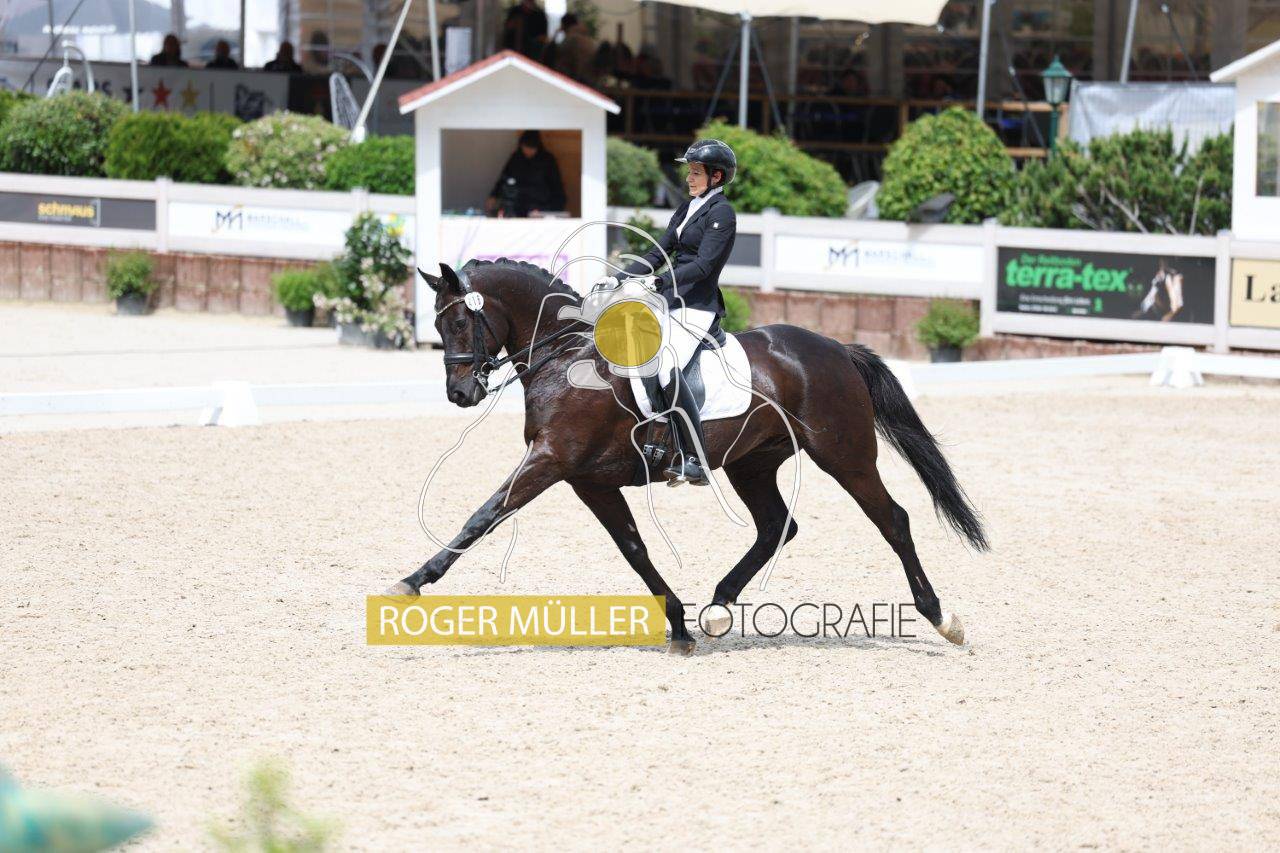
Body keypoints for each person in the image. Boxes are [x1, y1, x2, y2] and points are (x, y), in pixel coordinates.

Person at [595, 139, 738, 486]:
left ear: (716, 176)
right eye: (689, 172)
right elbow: (659, 251)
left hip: (697, 305)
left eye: (696, 173)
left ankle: (695, 458)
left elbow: (704, 266)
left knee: (665, 366)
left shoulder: (722, 213)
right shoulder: (688, 208)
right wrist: (620, 276)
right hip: (670, 299)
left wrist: (660, 282)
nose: (689, 178)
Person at [485, 130, 566, 218]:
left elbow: (557, 187)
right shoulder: (516, 158)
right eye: (526, 147)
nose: (528, 151)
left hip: (539, 207)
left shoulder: (547, 160)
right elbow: (504, 178)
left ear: (537, 147)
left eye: (532, 148)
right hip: (516, 206)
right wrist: (494, 195)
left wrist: (552, 211)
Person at [553, 14, 596, 85]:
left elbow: (557, 55)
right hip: (588, 79)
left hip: (576, 79)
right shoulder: (587, 38)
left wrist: (555, 35)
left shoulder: (571, 39)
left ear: (563, 25)